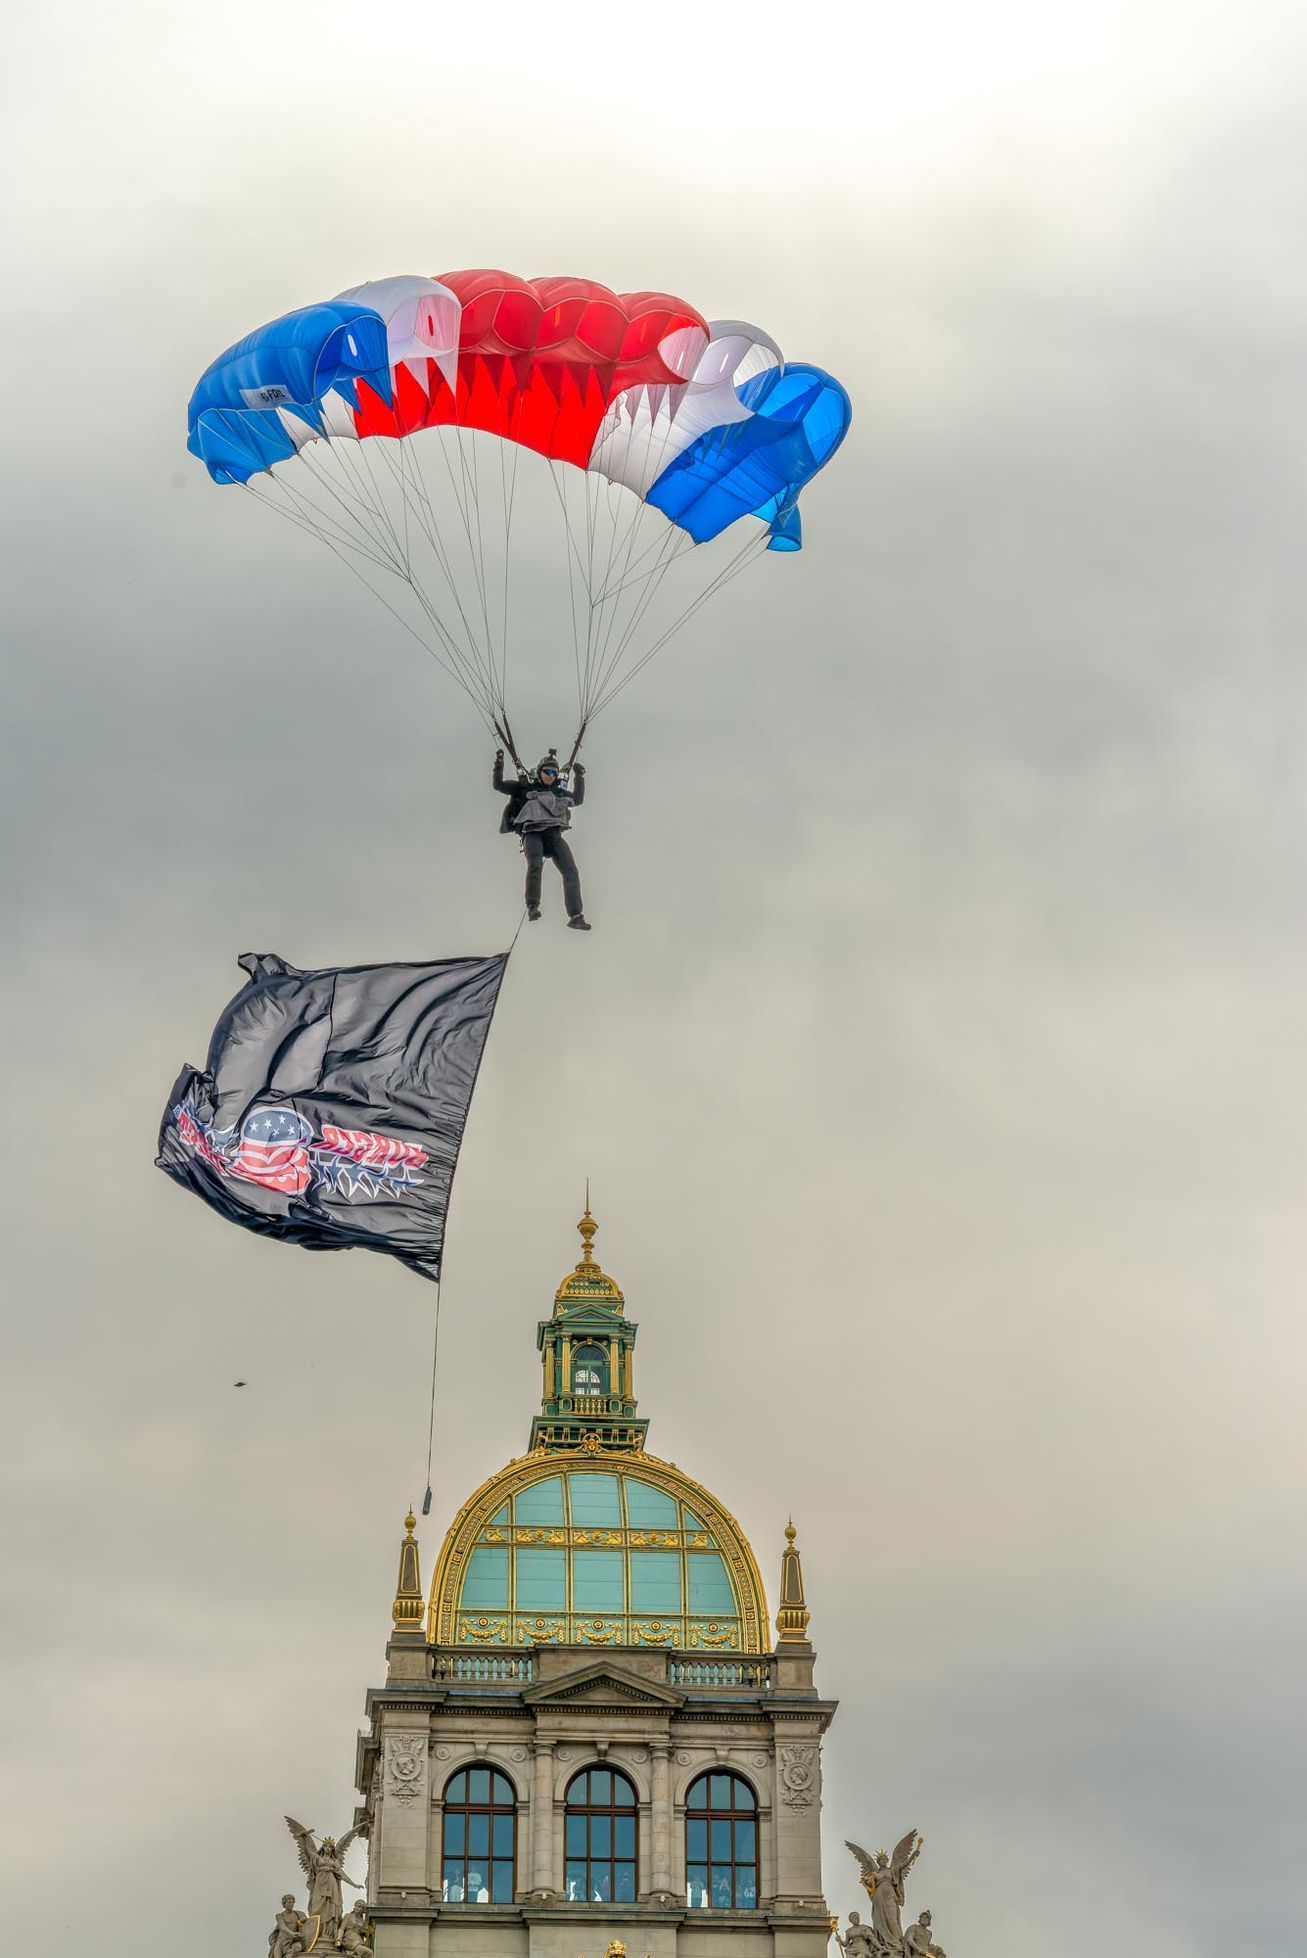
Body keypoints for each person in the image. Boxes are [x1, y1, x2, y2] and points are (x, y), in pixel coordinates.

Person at [492, 749, 590, 929]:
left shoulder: (558, 792)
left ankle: (576, 916)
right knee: (535, 864)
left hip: (553, 836)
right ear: (540, 771)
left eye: (554, 773)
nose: (551, 776)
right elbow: (498, 785)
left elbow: (577, 799)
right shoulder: (524, 788)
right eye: (547, 772)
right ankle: (532, 906)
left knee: (571, 871)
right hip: (532, 833)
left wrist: (579, 776)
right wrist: (499, 763)